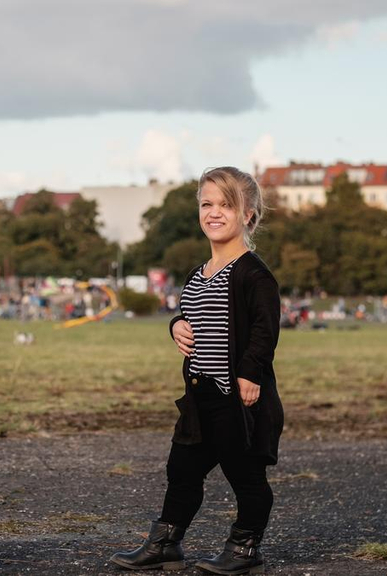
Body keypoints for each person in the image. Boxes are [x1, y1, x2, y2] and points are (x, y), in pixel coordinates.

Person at [111, 167, 284, 575]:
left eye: (227, 204)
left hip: (236, 397)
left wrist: (249, 374)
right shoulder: (198, 273)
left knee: (245, 476)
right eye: (207, 204)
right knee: (182, 470)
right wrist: (176, 325)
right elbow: (191, 315)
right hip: (200, 395)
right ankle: (166, 544)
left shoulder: (253, 273)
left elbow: (265, 328)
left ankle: (245, 549)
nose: (214, 212)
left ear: (248, 214)